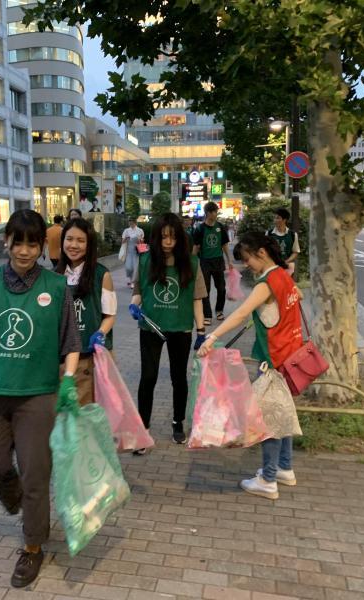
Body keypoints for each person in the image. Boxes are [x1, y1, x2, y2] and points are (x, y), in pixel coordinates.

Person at [0, 209, 81, 588]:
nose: (25, 250)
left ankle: (32, 546)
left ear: (42, 246)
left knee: (36, 474)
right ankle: (26, 506)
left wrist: (70, 380)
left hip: (37, 397)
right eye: (18, 241)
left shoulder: (56, 287)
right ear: (6, 240)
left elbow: (70, 341)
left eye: (33, 243)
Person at [197, 231, 303, 501]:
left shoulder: (266, 283)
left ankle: (268, 479)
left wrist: (213, 336)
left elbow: (242, 312)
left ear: (262, 253)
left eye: (247, 259)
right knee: (283, 414)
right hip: (292, 356)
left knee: (268, 419)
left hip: (274, 360)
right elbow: (295, 297)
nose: (247, 265)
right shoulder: (284, 276)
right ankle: (284, 467)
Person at [129, 213, 207, 450]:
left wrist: (201, 331)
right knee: (148, 377)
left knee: (178, 378)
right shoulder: (146, 261)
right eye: (163, 237)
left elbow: (196, 299)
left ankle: (177, 423)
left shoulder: (191, 263)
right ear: (156, 237)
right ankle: (143, 429)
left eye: (172, 237)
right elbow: (139, 291)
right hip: (150, 327)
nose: (167, 242)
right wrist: (134, 304)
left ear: (179, 238)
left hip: (180, 328)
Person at [56, 217, 117, 405]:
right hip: (60, 358)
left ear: (89, 245)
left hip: (90, 357)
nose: (74, 245)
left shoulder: (101, 275)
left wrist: (100, 333)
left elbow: (110, 315)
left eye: (81, 241)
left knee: (87, 413)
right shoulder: (53, 277)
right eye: (69, 239)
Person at [192, 201, 233, 325]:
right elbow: (196, 247)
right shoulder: (200, 229)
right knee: (206, 290)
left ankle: (219, 310)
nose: (215, 214)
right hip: (205, 262)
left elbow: (224, 244)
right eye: (213, 212)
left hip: (218, 261)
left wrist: (229, 260)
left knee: (221, 288)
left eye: (216, 211)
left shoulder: (220, 227)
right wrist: (191, 262)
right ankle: (207, 315)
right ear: (207, 213)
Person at [266, 208, 300, 276]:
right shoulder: (269, 234)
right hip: (272, 267)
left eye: (278, 218)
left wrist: (286, 261)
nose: (275, 220)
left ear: (284, 220)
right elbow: (265, 251)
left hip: (287, 268)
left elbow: (295, 252)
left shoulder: (292, 235)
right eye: (274, 218)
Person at [121, 217, 144, 289]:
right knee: (128, 268)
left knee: (135, 268)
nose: (130, 224)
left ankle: (133, 282)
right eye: (129, 223)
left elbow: (142, 241)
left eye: (132, 223)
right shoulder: (126, 231)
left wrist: (139, 239)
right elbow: (122, 241)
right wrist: (126, 238)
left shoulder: (140, 230)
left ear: (135, 223)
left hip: (137, 251)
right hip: (129, 252)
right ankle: (131, 280)